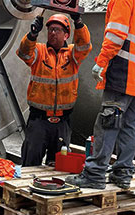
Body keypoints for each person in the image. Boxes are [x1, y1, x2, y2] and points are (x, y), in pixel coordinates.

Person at [66, 0, 135, 189]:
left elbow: (116, 34)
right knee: (129, 124)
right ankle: (123, 174)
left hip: (122, 72)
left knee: (108, 122)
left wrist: (102, 61)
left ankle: (94, 173)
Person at [16, 12, 92, 166]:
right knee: (30, 163)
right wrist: (32, 35)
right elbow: (24, 53)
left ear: (66, 35)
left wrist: (78, 22)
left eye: (57, 30)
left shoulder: (72, 54)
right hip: (39, 120)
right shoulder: (39, 51)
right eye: (50, 29)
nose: (52, 33)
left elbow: (84, 45)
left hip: (62, 122)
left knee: (59, 165)